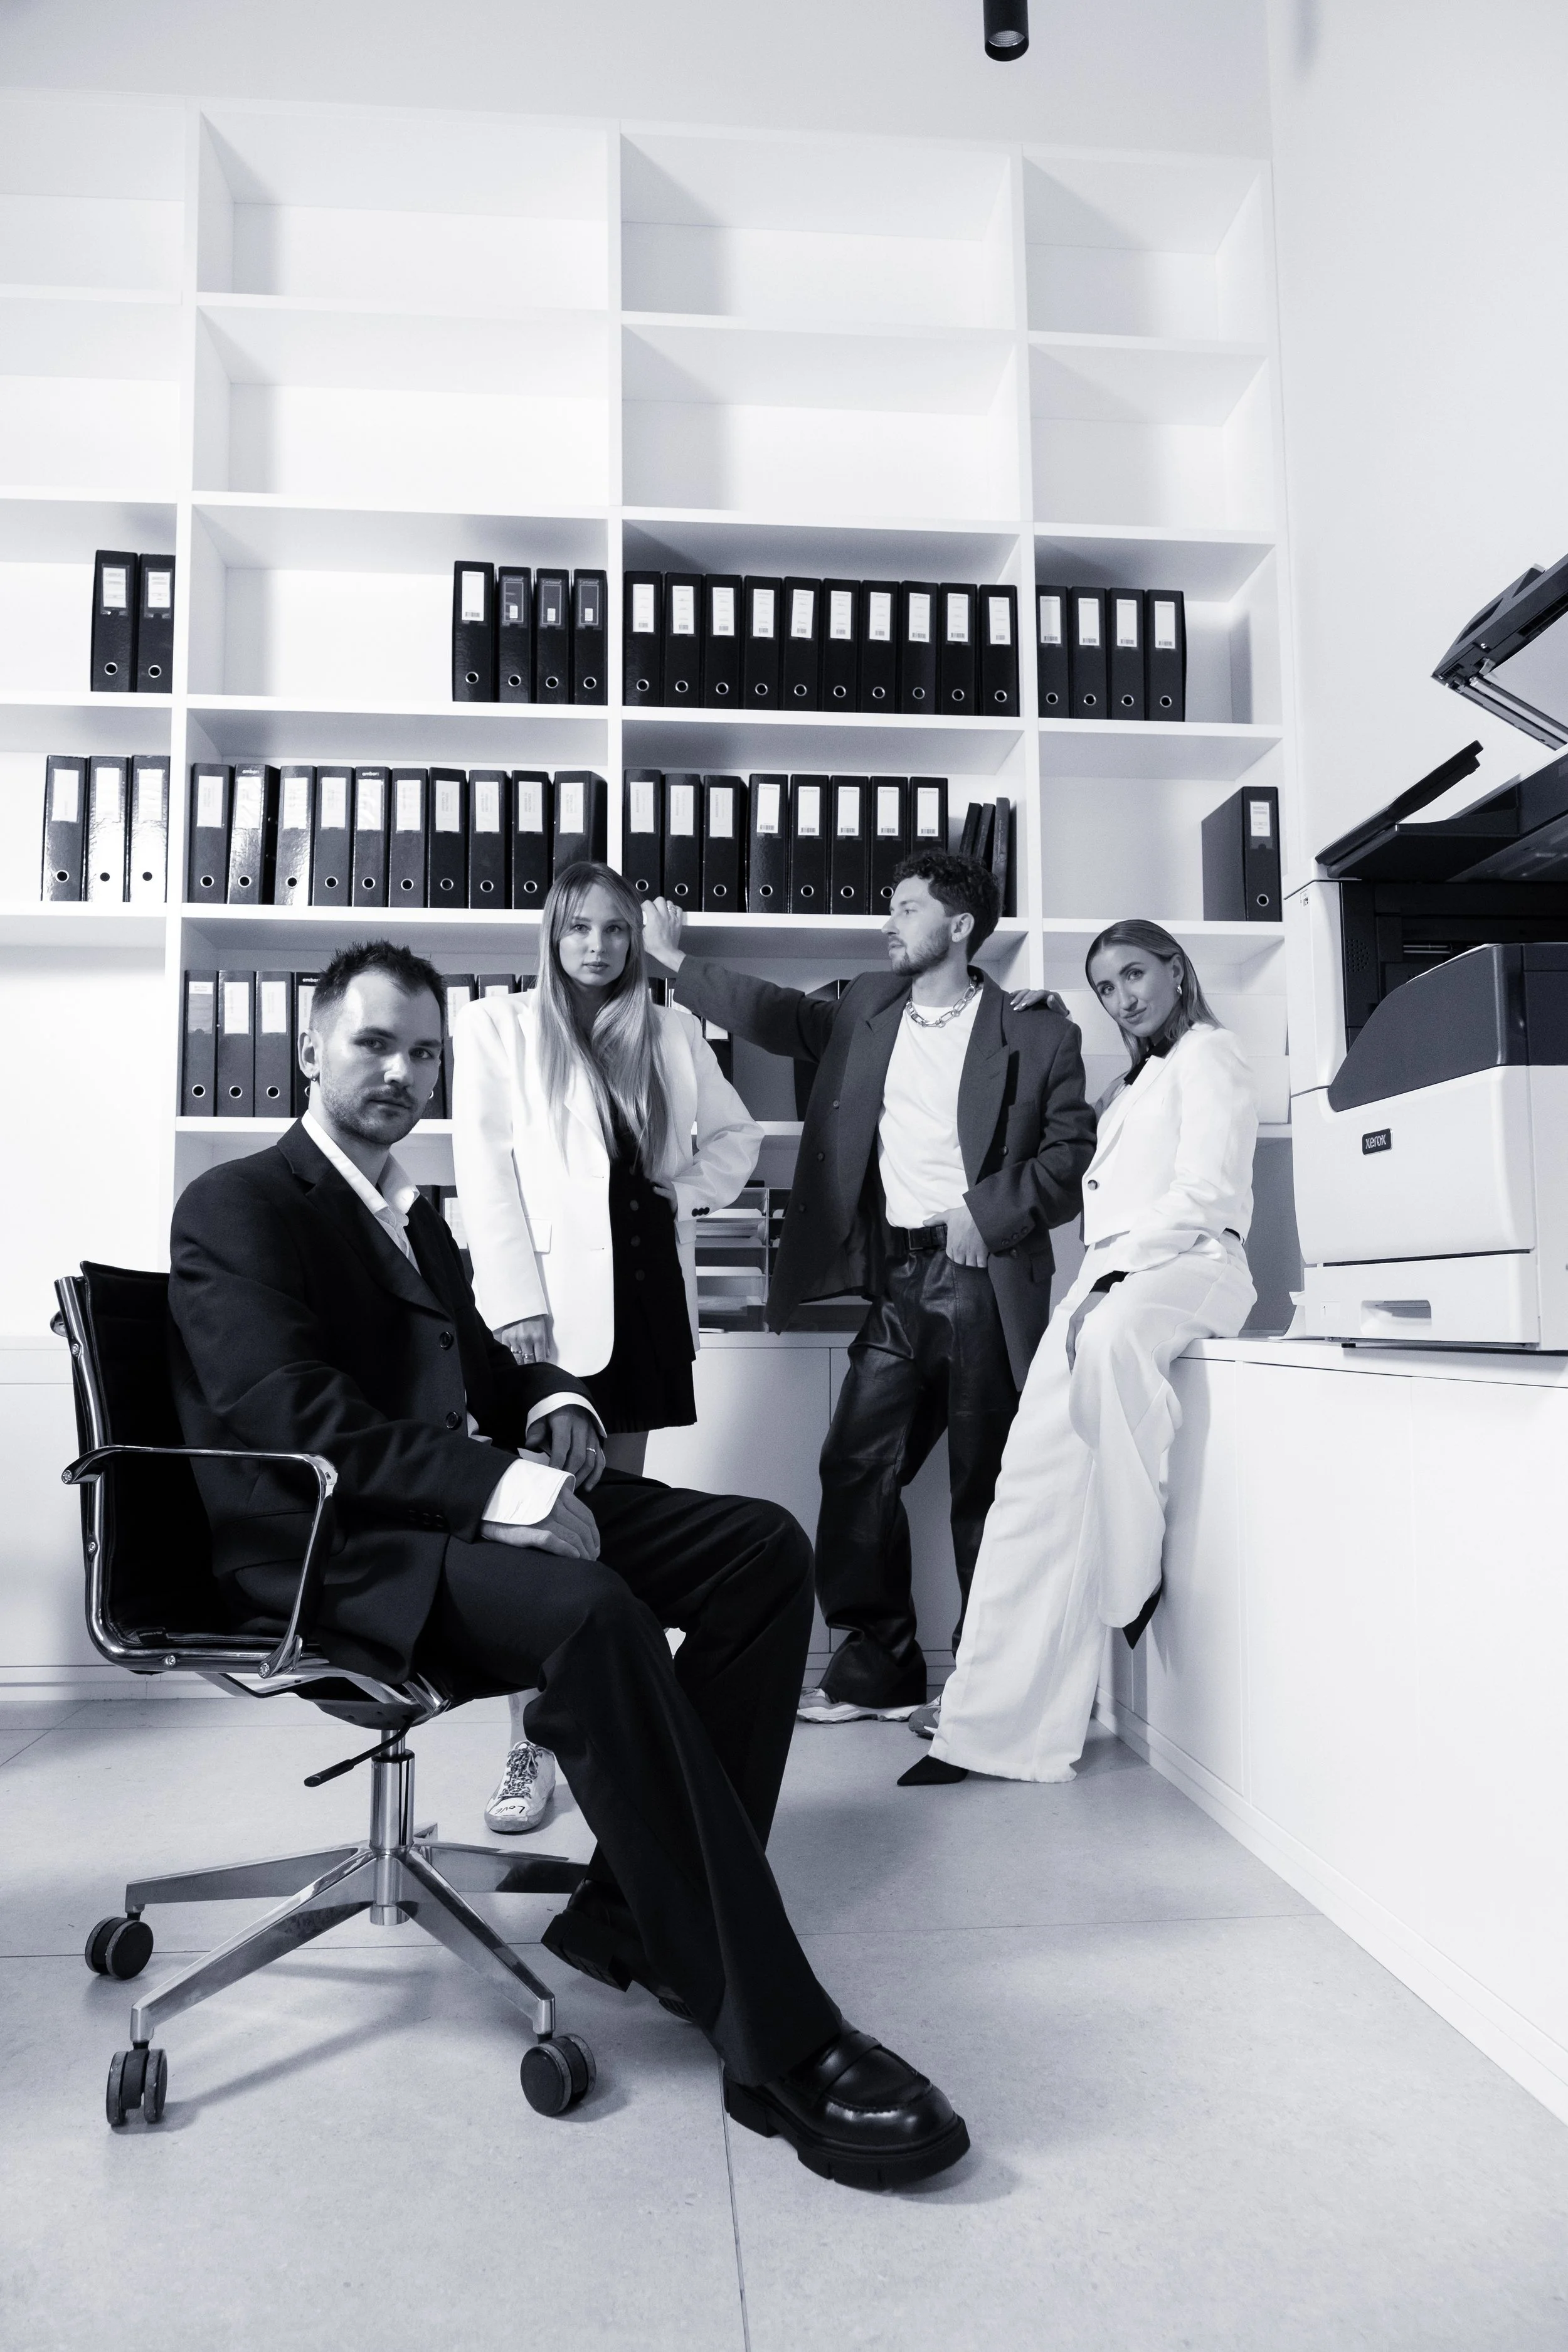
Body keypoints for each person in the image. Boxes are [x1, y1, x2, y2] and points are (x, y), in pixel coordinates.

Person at [166, 939, 968, 2188]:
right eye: (373, 1043)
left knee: (758, 1548)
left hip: (430, 1520)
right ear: (310, 1048)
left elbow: (482, 1369)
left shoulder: (410, 1218)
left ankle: (631, 1919)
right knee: (587, 1609)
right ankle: (776, 2039)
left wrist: (551, 1405)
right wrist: (504, 1489)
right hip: (331, 1554)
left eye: (423, 1051)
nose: (400, 1070)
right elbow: (291, 1416)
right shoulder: (238, 1202)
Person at [644, 852, 1095, 1724]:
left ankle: (986, 1684)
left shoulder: (1036, 1030)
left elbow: (1072, 1155)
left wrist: (987, 1213)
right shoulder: (866, 1010)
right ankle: (878, 1664)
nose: (887, 922)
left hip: (978, 1275)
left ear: (960, 926)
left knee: (982, 1485)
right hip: (896, 1277)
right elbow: (774, 1015)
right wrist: (674, 965)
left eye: (907, 907)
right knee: (856, 1462)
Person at [907, 919, 1259, 1790]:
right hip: (1109, 1280)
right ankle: (991, 1730)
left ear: (1176, 969)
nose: (1124, 997)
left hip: (1192, 1263)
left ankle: (1131, 1575)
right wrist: (1041, 1014)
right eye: (1106, 987)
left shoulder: (1213, 1056)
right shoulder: (1138, 1081)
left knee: (1105, 1340)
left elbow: (1209, 1192)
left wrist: (1113, 1280)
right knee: (1027, 1481)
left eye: (1136, 973)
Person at [453, 862, 761, 1836]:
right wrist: (513, 1309)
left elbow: (739, 1138)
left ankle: (604, 1741)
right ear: (552, 934)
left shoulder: (669, 1029)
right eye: (580, 928)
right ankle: (528, 1746)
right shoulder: (497, 1028)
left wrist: (685, 1193)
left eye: (616, 930)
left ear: (635, 940)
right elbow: (484, 1174)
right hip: (544, 1314)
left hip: (644, 1301)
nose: (598, 946)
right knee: (540, 1534)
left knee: (610, 1535)